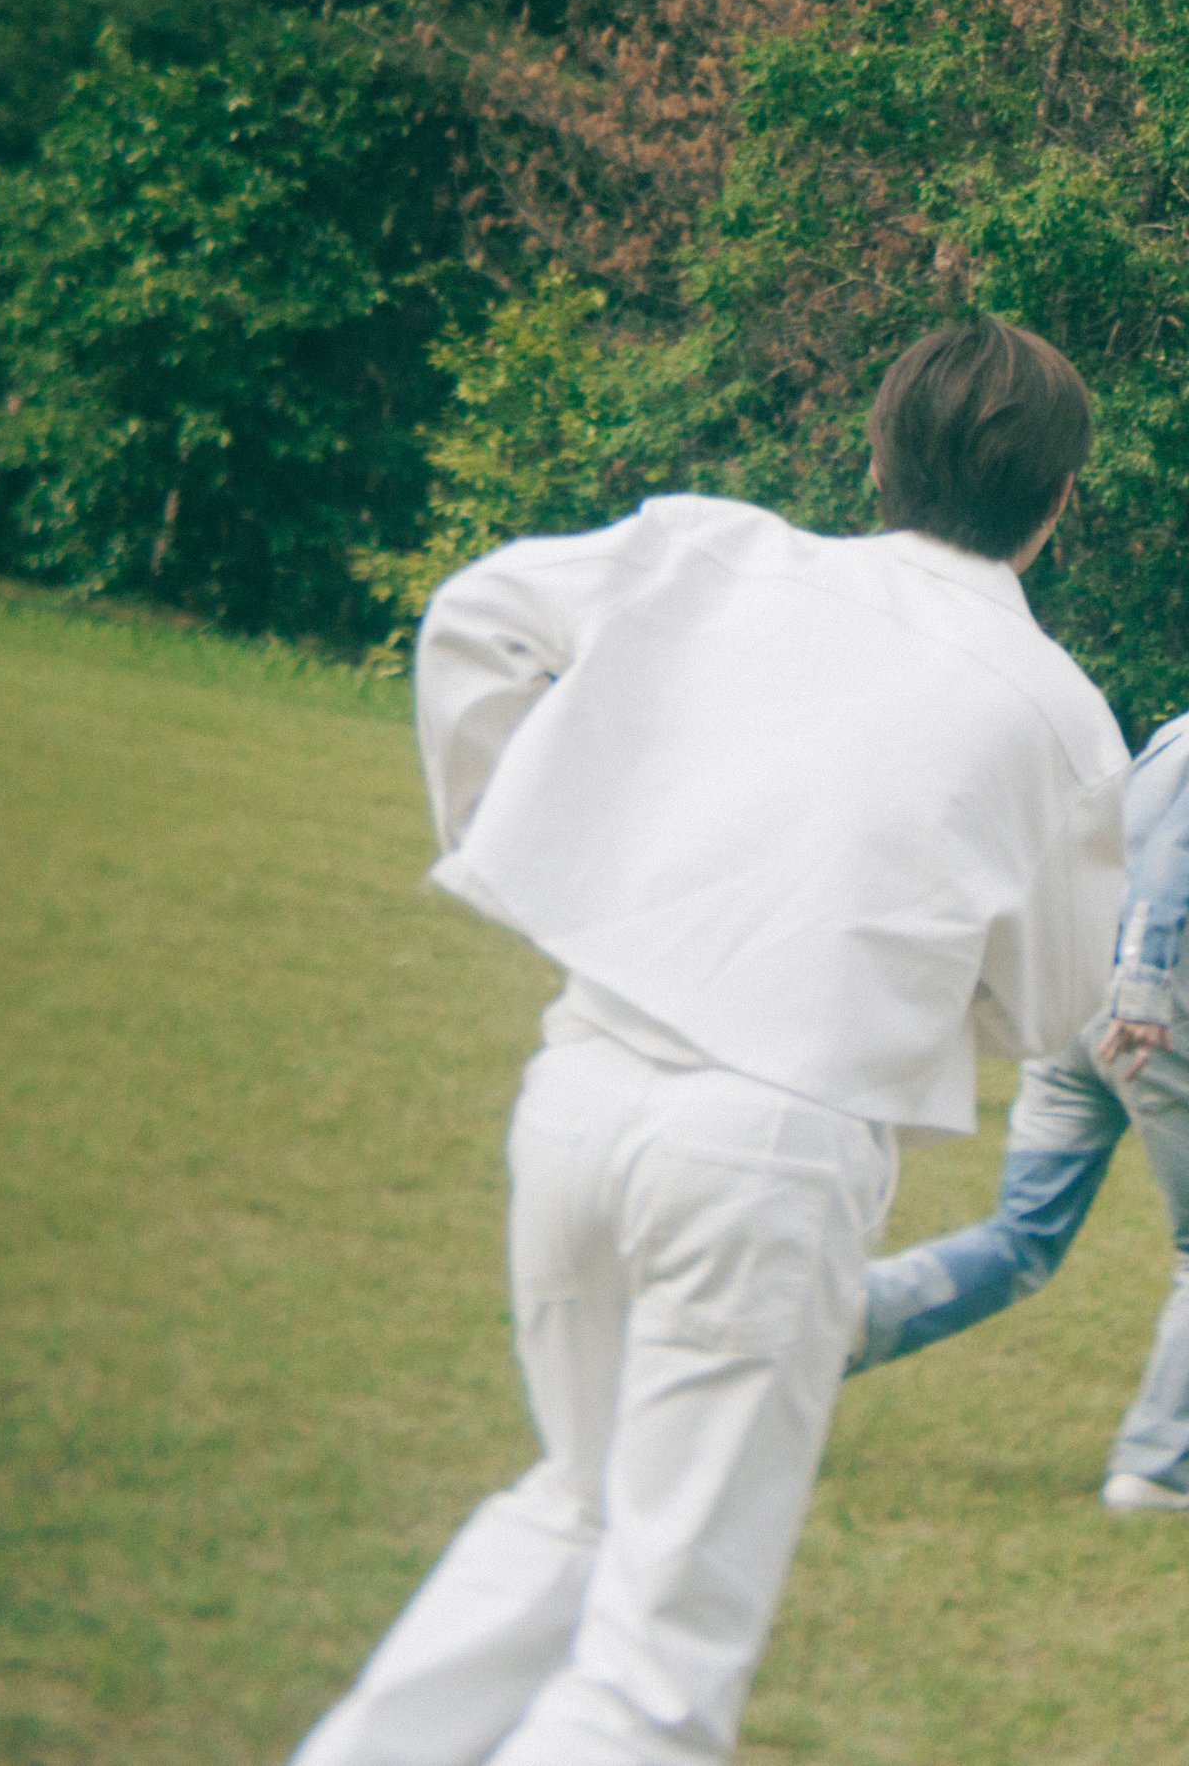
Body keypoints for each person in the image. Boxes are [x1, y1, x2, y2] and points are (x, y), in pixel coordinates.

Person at [291, 315, 1125, 1766]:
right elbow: (1056, 1009)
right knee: (657, 1669)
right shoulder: (1060, 716)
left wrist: (530, 838)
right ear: (1060, 502)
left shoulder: (723, 550)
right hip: (775, 1151)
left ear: (879, 452)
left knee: (574, 1505)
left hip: (584, 1081)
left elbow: (475, 620)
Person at [843, 576, 1189, 1522]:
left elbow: (1141, 852)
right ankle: (1157, 1468)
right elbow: (1176, 864)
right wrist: (1146, 991)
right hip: (1152, 1024)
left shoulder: (1188, 730)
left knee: (1023, 1238)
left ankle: (834, 1326)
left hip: (1081, 1014)